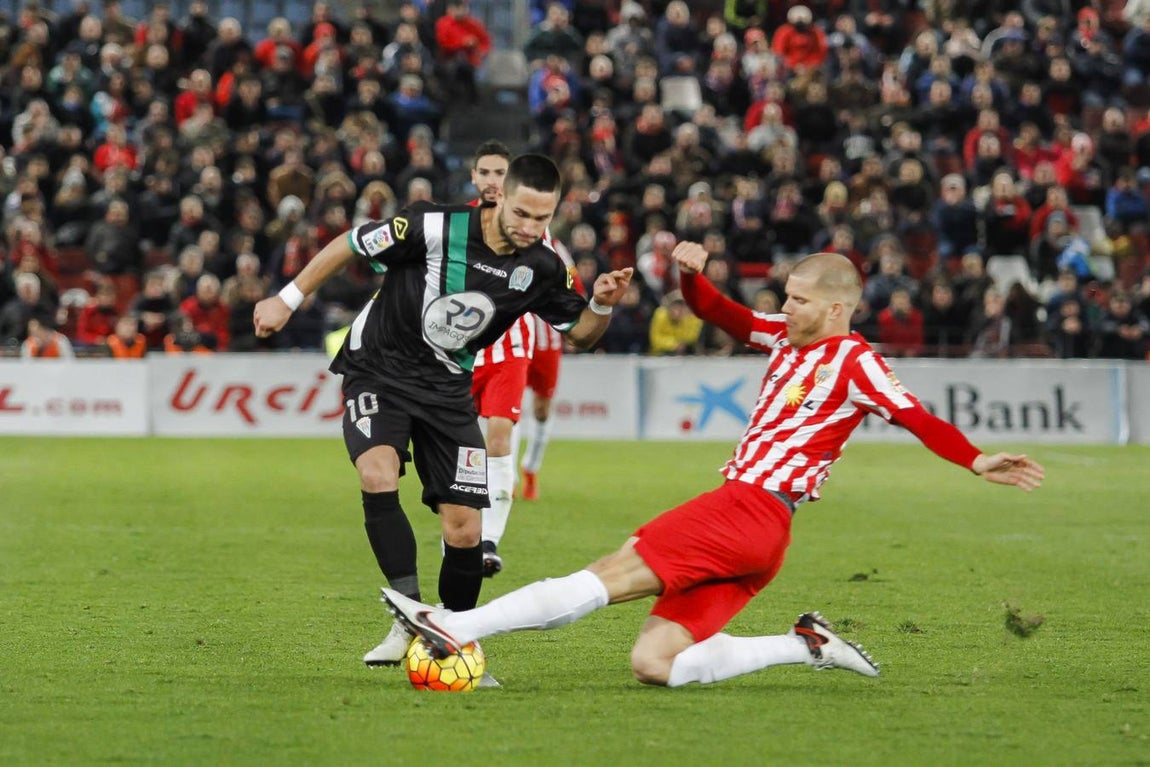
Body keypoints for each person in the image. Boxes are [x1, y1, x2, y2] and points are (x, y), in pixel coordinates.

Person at [382, 247, 1044, 688]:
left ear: (836, 308)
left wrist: (977, 457)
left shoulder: (856, 360)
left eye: (798, 300)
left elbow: (916, 415)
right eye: (785, 297)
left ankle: (457, 624)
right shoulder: (784, 336)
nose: (784, 308)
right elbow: (715, 311)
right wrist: (690, 274)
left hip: (751, 507)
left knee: (609, 571)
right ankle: (805, 644)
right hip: (762, 535)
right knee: (653, 662)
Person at [253, 154, 633, 674]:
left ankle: (454, 637)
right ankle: (407, 620)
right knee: (377, 470)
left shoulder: (542, 268)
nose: (529, 227)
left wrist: (604, 304)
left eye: (542, 219)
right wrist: (287, 298)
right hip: (378, 370)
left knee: (464, 532)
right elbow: (352, 243)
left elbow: (582, 336)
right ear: (500, 198)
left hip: (447, 390)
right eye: (521, 213)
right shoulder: (433, 224)